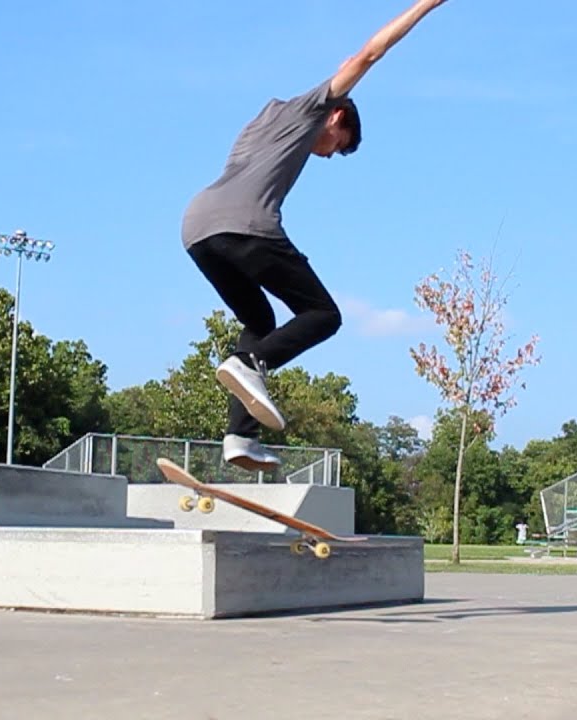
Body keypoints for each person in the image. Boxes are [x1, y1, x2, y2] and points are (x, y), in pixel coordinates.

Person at [181, 0, 453, 472]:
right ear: (337, 118)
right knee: (323, 314)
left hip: (198, 230)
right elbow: (369, 54)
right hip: (247, 226)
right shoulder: (313, 108)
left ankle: (238, 438)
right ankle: (252, 366)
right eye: (337, 146)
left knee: (258, 319)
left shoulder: (263, 120)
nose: (327, 157)